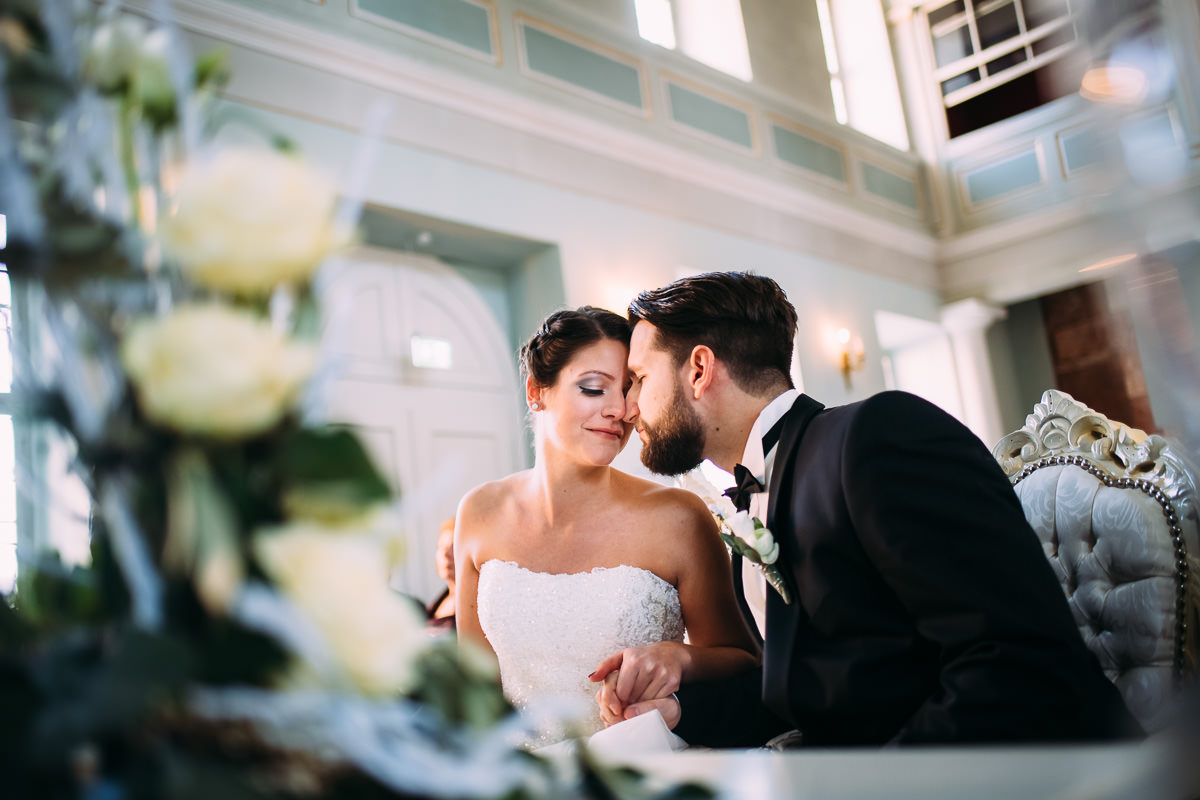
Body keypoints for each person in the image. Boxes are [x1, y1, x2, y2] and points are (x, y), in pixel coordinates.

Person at [590, 271, 1141, 747]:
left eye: (638, 379)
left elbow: (1015, 661)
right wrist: (680, 714)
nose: (629, 406)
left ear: (700, 369)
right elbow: (807, 696)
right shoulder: (750, 494)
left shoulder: (877, 436)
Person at [455, 306, 758, 747]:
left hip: (644, 765)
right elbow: (473, 688)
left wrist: (679, 657)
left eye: (630, 388)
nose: (619, 410)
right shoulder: (479, 511)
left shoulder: (678, 516)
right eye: (594, 388)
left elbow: (744, 661)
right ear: (536, 392)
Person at [426, 517, 457, 631]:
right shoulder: (436, 604)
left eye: (453, 547)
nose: (445, 554)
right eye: (441, 548)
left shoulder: (476, 604)